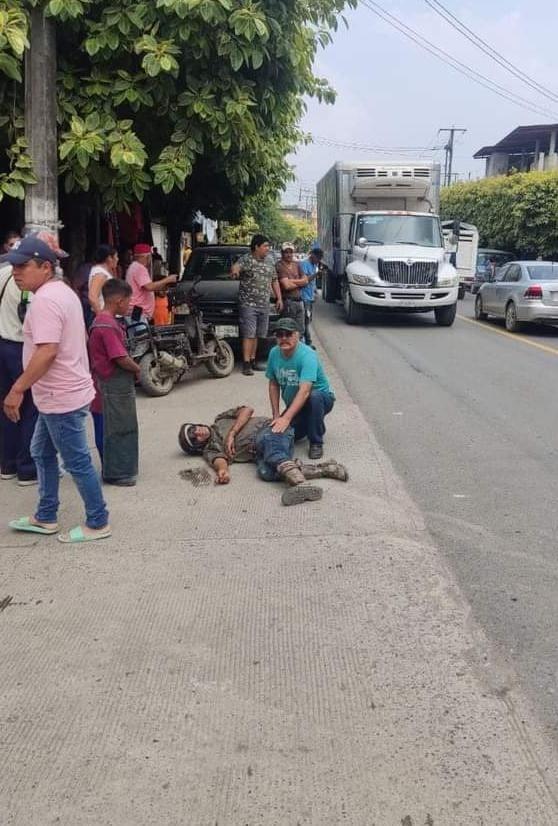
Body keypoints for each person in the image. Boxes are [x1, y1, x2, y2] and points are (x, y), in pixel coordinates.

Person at [3, 236, 111, 543]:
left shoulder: (47, 300)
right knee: (40, 451)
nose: (16, 272)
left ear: (46, 267)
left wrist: (17, 389)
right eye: (14, 265)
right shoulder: (58, 292)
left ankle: (98, 520)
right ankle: (46, 515)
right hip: (60, 393)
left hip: (60, 397)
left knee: (76, 461)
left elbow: (47, 351)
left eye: (23, 265)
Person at [178, 405, 347, 506]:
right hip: (259, 453)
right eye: (194, 438)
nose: (197, 432)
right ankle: (327, 469)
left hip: (271, 429)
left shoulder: (220, 420)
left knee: (271, 448)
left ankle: (300, 483)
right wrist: (223, 472)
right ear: (198, 446)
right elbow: (219, 461)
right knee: (265, 472)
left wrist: (231, 433)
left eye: (193, 429)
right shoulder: (211, 449)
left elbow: (247, 410)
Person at [89, 279, 140, 487]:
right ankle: (114, 473)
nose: (129, 305)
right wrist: (138, 369)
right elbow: (120, 357)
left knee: (109, 428)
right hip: (108, 389)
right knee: (112, 430)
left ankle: (114, 469)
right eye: (128, 301)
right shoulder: (106, 325)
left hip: (104, 387)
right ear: (119, 301)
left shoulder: (102, 320)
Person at [265, 317, 335, 460]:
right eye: (279, 334)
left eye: (288, 334)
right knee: (282, 433)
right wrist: (277, 416)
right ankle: (309, 423)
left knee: (314, 397)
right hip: (296, 403)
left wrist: (286, 418)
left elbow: (305, 392)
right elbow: (273, 384)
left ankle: (316, 441)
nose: (284, 338)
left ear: (298, 335)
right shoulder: (273, 353)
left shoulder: (308, 355)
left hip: (319, 398)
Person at [0, 232, 37, 485]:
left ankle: (7, 464)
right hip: (22, 349)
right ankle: (26, 469)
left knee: (7, 407)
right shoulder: (33, 285)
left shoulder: (2, 274)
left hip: (2, 345)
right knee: (29, 408)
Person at [231, 234, 283, 376]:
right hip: (248, 304)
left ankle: (253, 360)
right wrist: (235, 272)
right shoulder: (247, 259)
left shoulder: (270, 261)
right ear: (256, 247)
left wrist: (279, 298)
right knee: (249, 334)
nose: (268, 249)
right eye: (265, 246)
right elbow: (236, 266)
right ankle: (246, 363)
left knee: (258, 334)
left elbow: (274, 280)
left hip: (264, 304)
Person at [126, 243, 177, 322]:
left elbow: (147, 288)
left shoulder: (134, 267)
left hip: (137, 312)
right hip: (138, 312)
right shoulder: (139, 268)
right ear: (146, 256)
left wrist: (163, 286)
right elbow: (149, 287)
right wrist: (168, 279)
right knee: (140, 334)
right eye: (150, 256)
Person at [276, 242, 307, 333]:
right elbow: (286, 286)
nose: (289, 254)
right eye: (286, 252)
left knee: (300, 331)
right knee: (289, 331)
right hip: (288, 302)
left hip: (299, 301)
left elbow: (306, 280)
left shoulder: (296, 264)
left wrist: (291, 281)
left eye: (290, 252)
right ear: (282, 253)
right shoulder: (280, 265)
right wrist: (300, 282)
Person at [299, 246, 323, 347]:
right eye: (318, 259)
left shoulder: (314, 265)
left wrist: (315, 293)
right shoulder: (304, 264)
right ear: (313, 255)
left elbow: (312, 283)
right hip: (304, 297)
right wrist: (316, 274)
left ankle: (307, 341)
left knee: (308, 320)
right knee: (305, 320)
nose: (318, 261)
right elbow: (305, 281)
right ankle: (307, 342)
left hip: (309, 297)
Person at [88, 244, 118, 316]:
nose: (117, 259)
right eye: (116, 256)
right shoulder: (100, 273)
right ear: (109, 258)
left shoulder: (102, 272)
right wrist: (101, 316)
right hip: (104, 315)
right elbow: (92, 296)